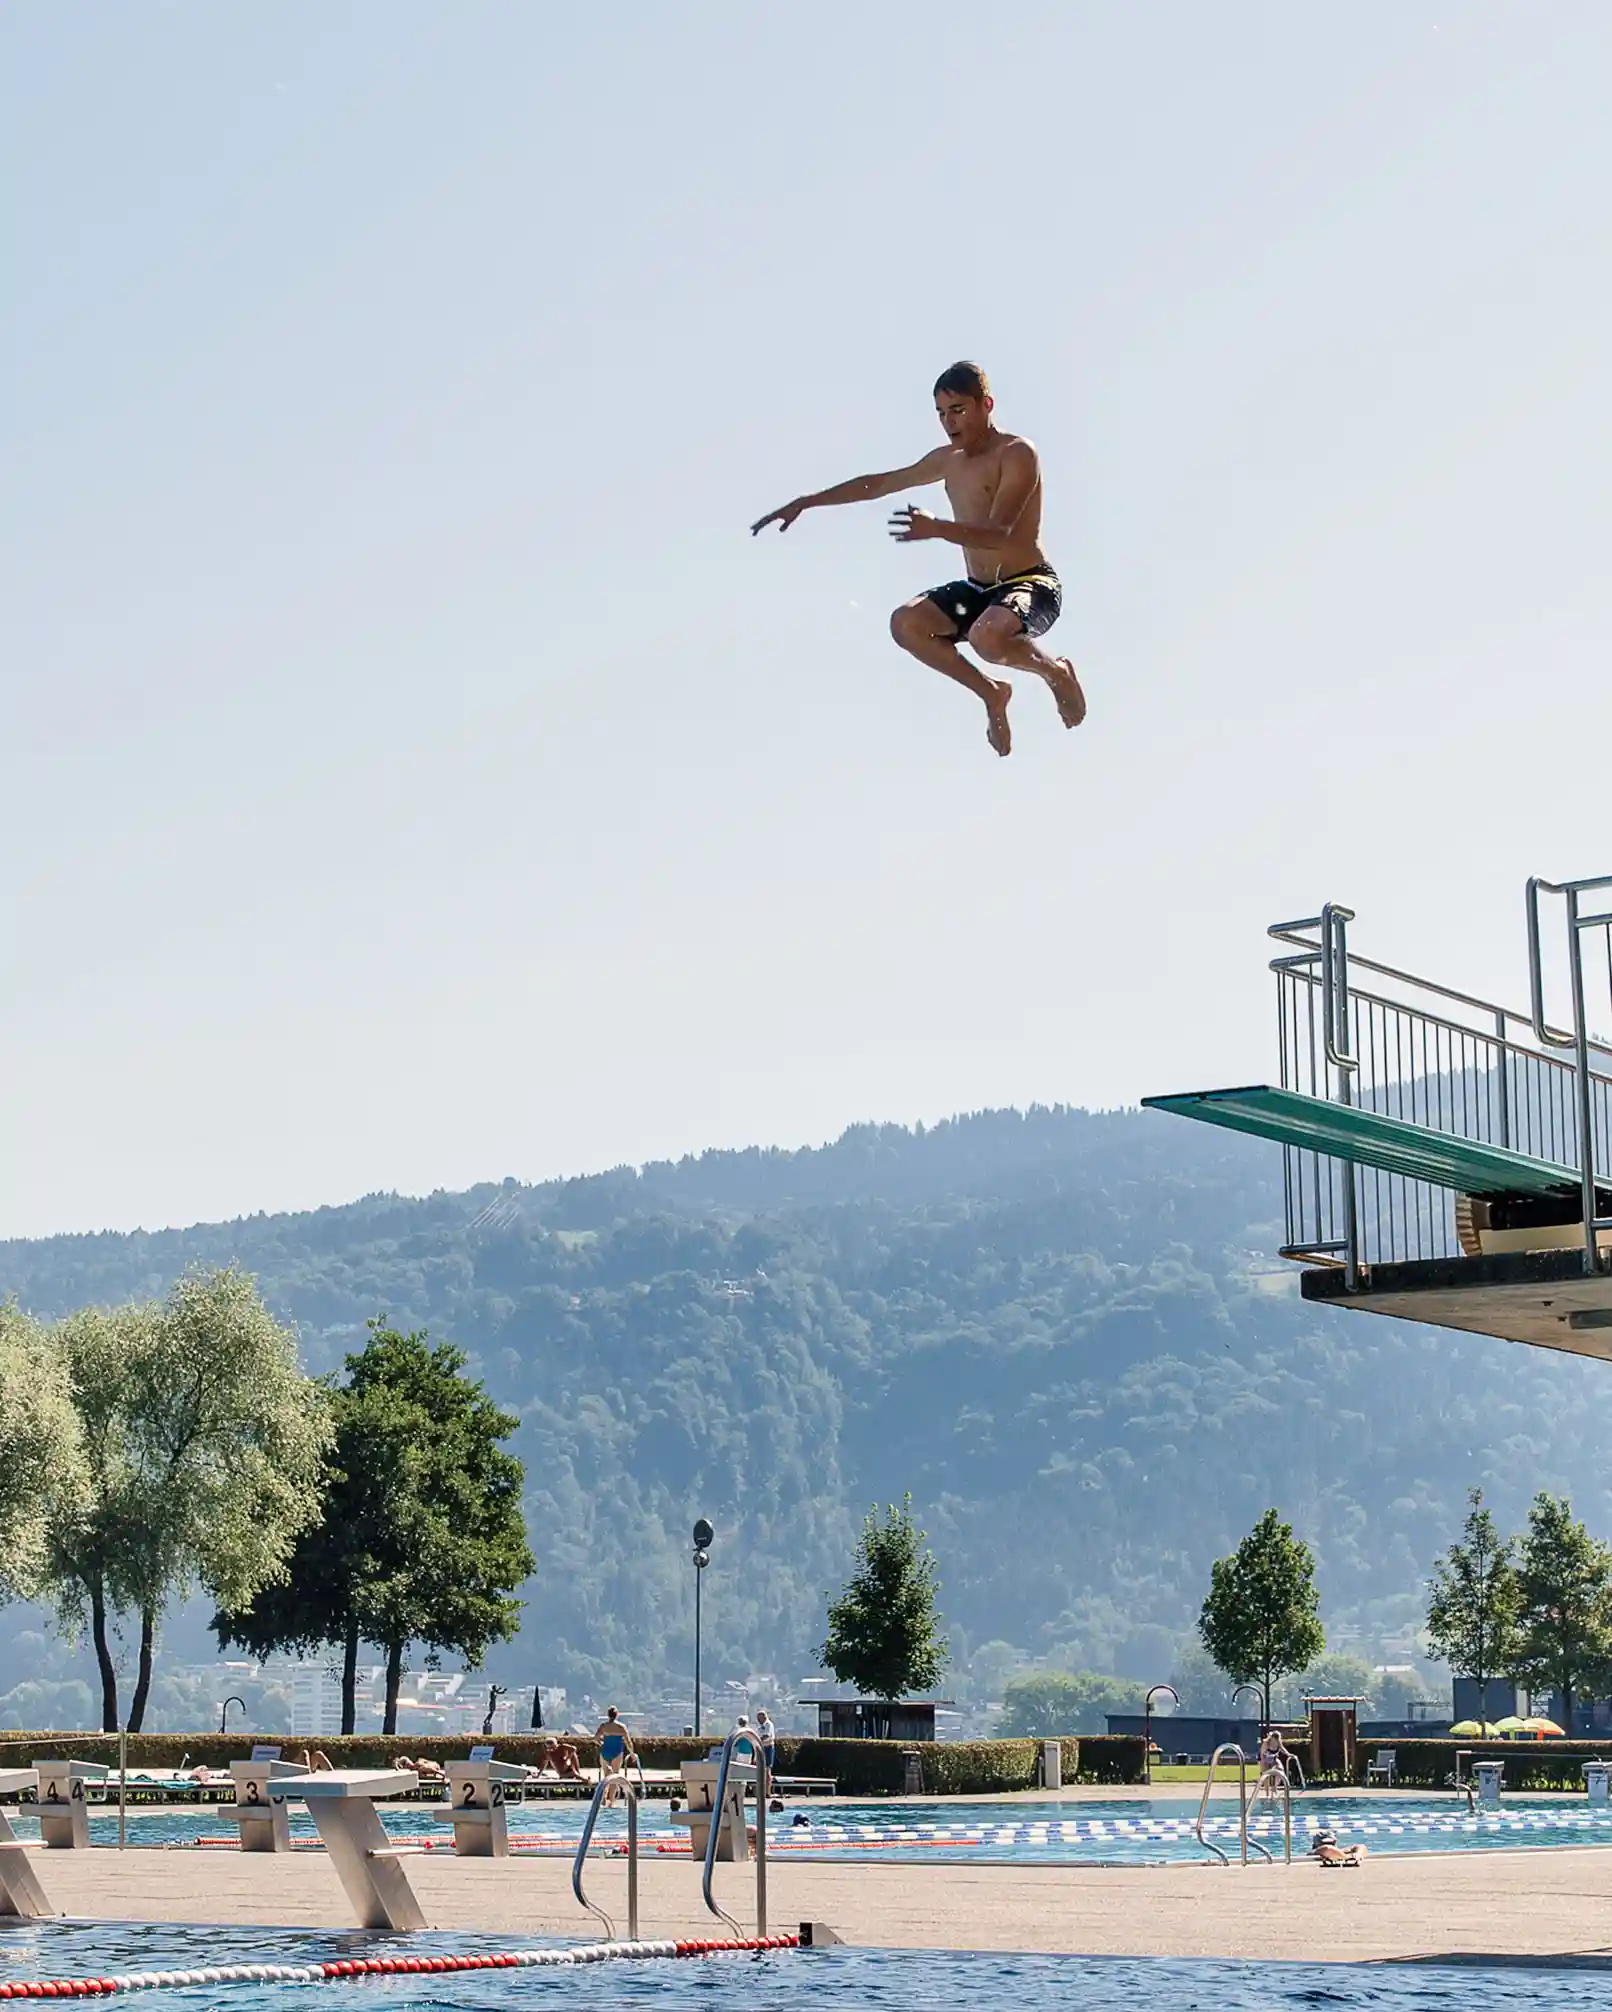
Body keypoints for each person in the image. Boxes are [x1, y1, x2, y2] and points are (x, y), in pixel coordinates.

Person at [751, 361, 1084, 759]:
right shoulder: (947, 460)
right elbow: (880, 483)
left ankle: (1055, 672)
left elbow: (1002, 534)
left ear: (986, 404)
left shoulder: (1016, 454)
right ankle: (992, 693)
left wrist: (939, 528)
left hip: (1031, 585)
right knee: (906, 623)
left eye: (958, 410)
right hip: (979, 592)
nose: (949, 422)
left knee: (986, 637)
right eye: (942, 414)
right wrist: (809, 502)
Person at [594, 1707, 635, 1804]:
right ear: (617, 1715)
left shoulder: (603, 1726)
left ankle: (603, 1799)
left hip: (605, 1751)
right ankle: (611, 1801)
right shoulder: (621, 1727)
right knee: (615, 1776)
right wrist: (632, 1754)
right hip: (617, 1752)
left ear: (608, 1715)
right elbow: (628, 1742)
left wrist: (602, 1743)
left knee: (606, 1776)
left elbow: (596, 1738)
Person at [755, 1709, 777, 1795]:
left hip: (768, 1747)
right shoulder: (759, 1727)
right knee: (761, 1769)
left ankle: (768, 1791)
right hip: (762, 1748)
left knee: (767, 1770)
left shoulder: (768, 1724)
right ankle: (762, 1790)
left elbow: (767, 1735)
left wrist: (758, 1740)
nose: (758, 1720)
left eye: (759, 1718)